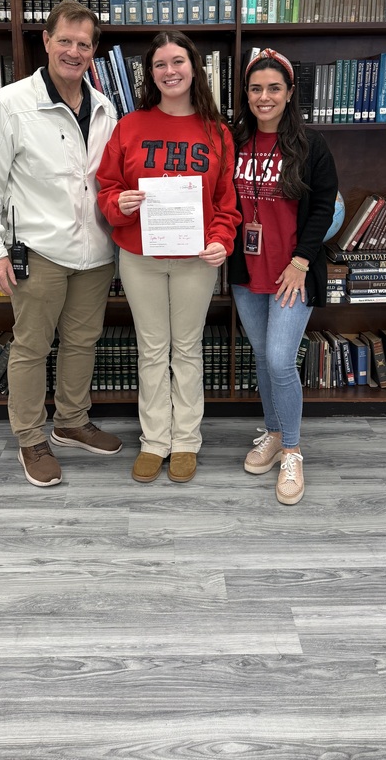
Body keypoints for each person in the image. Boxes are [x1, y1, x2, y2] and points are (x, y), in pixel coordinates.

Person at [0, 0, 122, 489]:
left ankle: (71, 422)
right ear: (47, 41)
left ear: (93, 51)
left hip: (96, 251)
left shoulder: (105, 108)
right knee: (32, 346)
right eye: (65, 41)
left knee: (82, 340)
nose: (73, 51)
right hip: (38, 250)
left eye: (83, 43)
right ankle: (30, 437)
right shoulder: (11, 103)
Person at [97, 31, 240, 484]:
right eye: (160, 64)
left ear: (194, 68)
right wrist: (118, 205)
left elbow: (226, 202)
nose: (170, 71)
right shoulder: (130, 126)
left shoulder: (216, 131)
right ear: (151, 74)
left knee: (187, 348)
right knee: (152, 349)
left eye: (178, 61)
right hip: (140, 257)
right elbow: (107, 188)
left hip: (197, 260)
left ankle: (186, 441)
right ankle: (155, 440)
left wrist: (221, 240)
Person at [229, 48, 338, 505]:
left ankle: (292, 451)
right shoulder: (233, 142)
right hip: (246, 271)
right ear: (247, 95)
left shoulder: (312, 145)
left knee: (279, 360)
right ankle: (273, 434)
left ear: (290, 93)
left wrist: (300, 262)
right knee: (260, 355)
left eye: (274, 88)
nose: (264, 96)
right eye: (256, 88)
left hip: (292, 272)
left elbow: (323, 209)